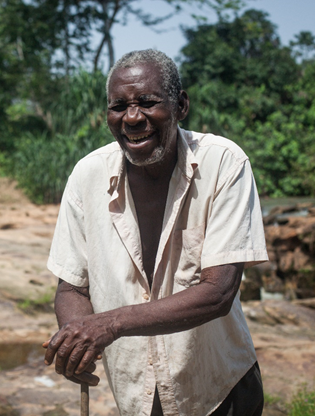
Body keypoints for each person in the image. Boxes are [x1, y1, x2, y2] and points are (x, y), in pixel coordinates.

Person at [43, 49, 269, 416]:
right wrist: (77, 339)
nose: (132, 118)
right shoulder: (88, 175)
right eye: (118, 106)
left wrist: (109, 323)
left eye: (147, 102)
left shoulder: (224, 163)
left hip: (219, 391)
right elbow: (71, 287)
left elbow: (218, 292)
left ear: (181, 105)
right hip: (136, 396)